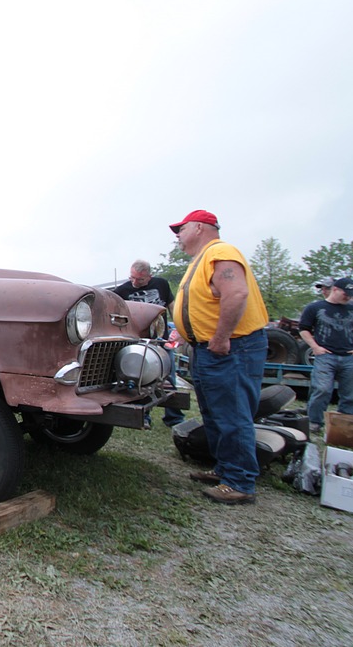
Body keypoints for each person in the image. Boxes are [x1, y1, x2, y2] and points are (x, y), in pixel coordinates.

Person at [170, 210, 269, 505]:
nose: (177, 235)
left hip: (231, 348)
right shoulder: (200, 260)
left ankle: (239, 482)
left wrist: (222, 337)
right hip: (211, 350)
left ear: (200, 227)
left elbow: (236, 293)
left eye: (181, 228)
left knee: (233, 414)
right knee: (216, 413)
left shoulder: (221, 251)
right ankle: (226, 470)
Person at [112, 260, 184, 426]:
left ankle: (174, 418)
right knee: (142, 381)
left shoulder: (162, 284)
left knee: (169, 379)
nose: (135, 282)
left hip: (161, 342)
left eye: (140, 280)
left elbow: (172, 307)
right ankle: (143, 416)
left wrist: (179, 328)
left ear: (149, 277)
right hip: (139, 344)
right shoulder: (123, 290)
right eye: (132, 278)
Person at [297, 277, 353, 434]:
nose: (349, 297)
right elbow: (304, 328)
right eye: (346, 294)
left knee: (350, 394)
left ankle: (345, 426)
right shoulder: (315, 307)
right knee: (322, 389)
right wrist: (315, 347)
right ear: (336, 290)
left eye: (351, 295)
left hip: (350, 357)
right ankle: (314, 422)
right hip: (326, 356)